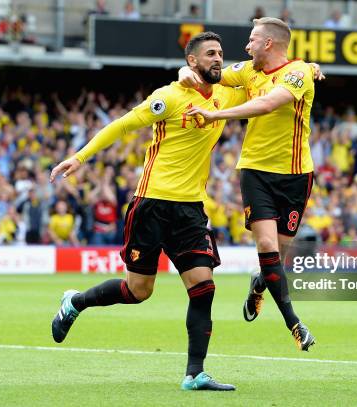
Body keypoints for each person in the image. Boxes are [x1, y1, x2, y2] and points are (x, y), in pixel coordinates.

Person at [50, 32, 246, 391]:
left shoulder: (227, 94)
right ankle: (75, 302)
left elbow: (262, 72)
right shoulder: (168, 97)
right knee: (139, 291)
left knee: (203, 287)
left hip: (190, 209)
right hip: (152, 204)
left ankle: (194, 374)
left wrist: (304, 66)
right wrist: (80, 157)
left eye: (221, 53)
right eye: (210, 54)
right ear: (192, 61)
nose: (219, 59)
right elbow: (123, 124)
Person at [180, 17, 321, 351]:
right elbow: (209, 73)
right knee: (267, 249)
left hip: (295, 176)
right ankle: (295, 324)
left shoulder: (298, 73)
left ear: (269, 43)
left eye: (252, 39)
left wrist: (216, 115)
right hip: (255, 172)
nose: (246, 46)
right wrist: (185, 73)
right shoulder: (247, 70)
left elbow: (267, 104)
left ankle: (259, 284)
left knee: (275, 260)